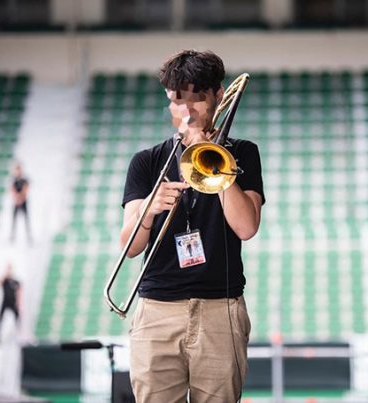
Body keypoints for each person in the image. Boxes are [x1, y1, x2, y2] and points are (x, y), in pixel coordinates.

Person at [120, 49, 265, 402]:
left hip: (221, 309)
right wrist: (149, 210)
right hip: (157, 310)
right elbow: (129, 247)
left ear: (218, 96)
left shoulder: (243, 153)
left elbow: (246, 227)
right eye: (175, 102)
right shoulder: (147, 161)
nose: (185, 112)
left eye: (196, 100)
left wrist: (218, 165)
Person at [0, 264, 22, 344]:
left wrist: (18, 303)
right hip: (5, 302)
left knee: (18, 319)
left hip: (13, 302)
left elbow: (19, 292)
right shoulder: (5, 281)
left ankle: (19, 336)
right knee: (0, 319)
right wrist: (5, 275)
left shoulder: (16, 282)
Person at [9, 162, 32, 242]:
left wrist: (21, 198)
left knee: (26, 219)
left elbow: (26, 190)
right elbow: (12, 190)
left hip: (23, 201)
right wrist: (17, 198)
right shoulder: (13, 180)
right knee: (14, 219)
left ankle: (28, 236)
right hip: (17, 201)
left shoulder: (25, 180)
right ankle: (13, 236)